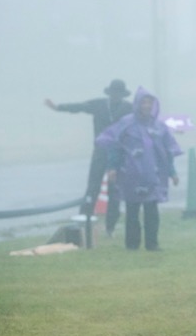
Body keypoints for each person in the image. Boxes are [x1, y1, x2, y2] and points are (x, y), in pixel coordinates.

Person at [95, 87, 182, 251]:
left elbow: (167, 151)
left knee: (152, 211)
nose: (147, 106)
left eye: (150, 102)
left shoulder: (159, 127)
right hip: (131, 175)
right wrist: (112, 168)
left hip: (152, 175)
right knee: (132, 211)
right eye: (144, 102)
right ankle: (132, 245)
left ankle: (152, 244)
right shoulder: (126, 124)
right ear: (137, 104)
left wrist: (172, 172)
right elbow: (115, 146)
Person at [45, 79, 134, 236]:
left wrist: (173, 128)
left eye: (119, 94)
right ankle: (82, 223)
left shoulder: (128, 108)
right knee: (93, 188)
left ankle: (110, 227)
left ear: (122, 95)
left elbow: (147, 120)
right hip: (100, 152)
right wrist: (58, 107)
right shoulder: (99, 105)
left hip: (120, 154)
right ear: (109, 93)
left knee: (115, 192)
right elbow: (79, 107)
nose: (116, 96)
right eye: (114, 93)